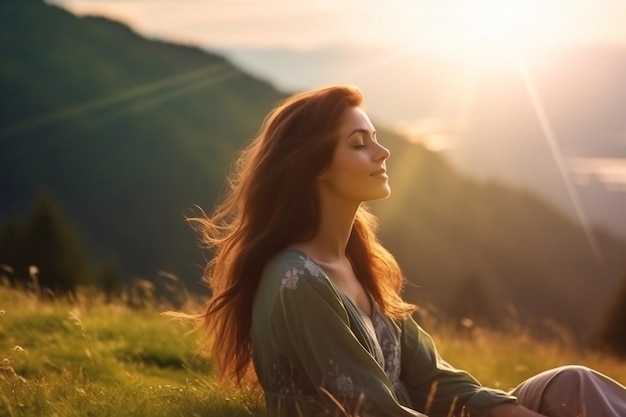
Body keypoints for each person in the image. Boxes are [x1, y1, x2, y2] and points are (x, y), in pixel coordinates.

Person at [191, 85, 626, 417]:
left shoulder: (359, 264)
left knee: (575, 384)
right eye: (359, 144)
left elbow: (433, 378)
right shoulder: (297, 280)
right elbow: (372, 409)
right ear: (316, 166)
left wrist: (515, 412)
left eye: (374, 138)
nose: (382, 152)